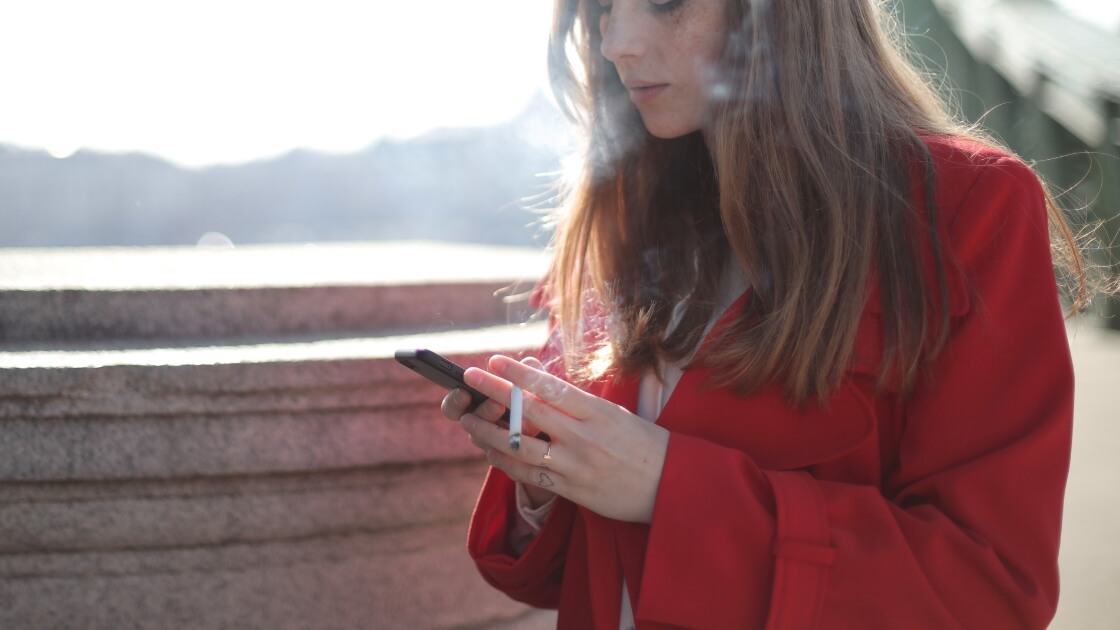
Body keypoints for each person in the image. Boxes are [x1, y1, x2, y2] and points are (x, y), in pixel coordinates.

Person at [440, 0, 1097, 627]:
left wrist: (669, 487)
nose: (616, 43)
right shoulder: (615, 220)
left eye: (666, 1)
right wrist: (549, 475)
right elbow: (558, 580)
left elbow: (990, 595)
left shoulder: (965, 209)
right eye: (602, 8)